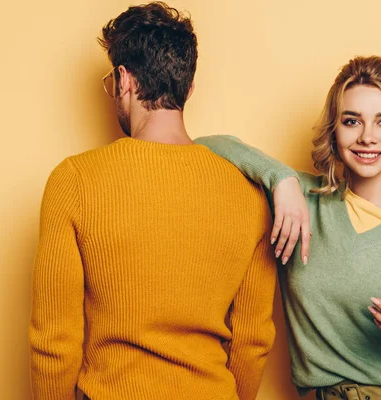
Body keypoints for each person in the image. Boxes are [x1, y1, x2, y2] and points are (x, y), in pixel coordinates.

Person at [28, 3, 276, 399]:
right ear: (188, 88)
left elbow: (54, 341)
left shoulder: (74, 181)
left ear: (124, 79)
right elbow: (252, 341)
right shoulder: (249, 194)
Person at [195, 56, 381, 400]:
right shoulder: (302, 204)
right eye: (351, 121)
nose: (367, 137)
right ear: (334, 131)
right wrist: (281, 178)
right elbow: (207, 146)